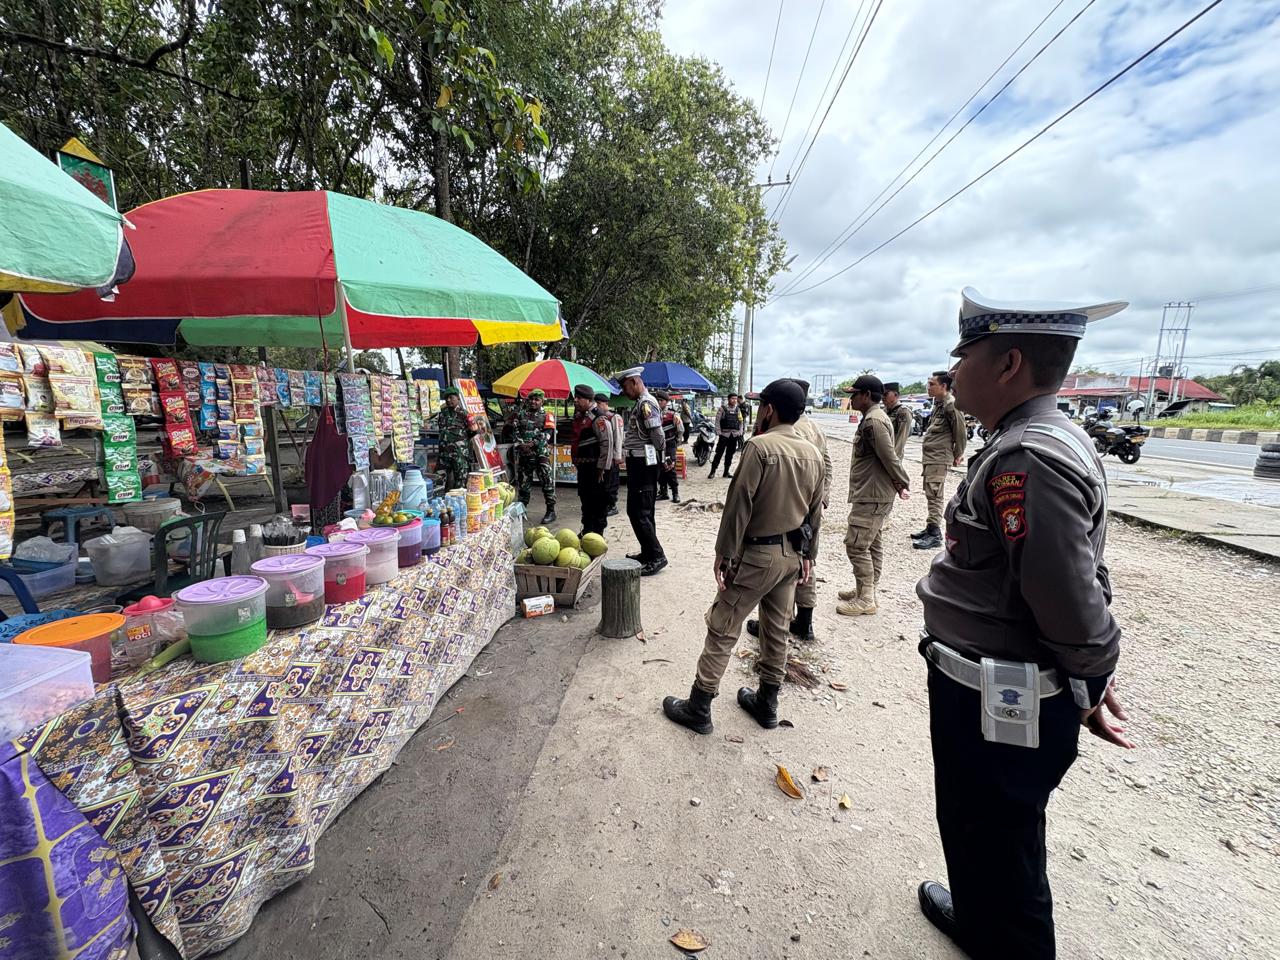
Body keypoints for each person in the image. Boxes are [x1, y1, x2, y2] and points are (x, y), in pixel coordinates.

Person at [915, 287, 1133, 960]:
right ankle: (981, 919)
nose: (953, 374)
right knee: (980, 830)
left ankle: (1002, 934)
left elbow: (1065, 594)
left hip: (1000, 697)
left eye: (965, 356)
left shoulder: (1027, 457)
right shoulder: (1024, 439)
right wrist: (1087, 674)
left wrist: (1090, 679)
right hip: (988, 686)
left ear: (1008, 363)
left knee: (1001, 841)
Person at [661, 379, 824, 734]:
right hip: (791, 557)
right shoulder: (812, 452)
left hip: (757, 556)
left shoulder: (760, 447)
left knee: (723, 625)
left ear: (769, 409)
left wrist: (725, 553)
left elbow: (738, 505)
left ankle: (699, 706)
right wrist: (809, 554)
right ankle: (767, 703)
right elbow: (815, 511)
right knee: (777, 630)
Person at [745, 378, 831, 643]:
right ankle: (804, 621)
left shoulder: (788, 429)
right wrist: (821, 496)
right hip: (807, 505)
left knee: (782, 563)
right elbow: (826, 463)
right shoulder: (814, 426)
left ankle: (776, 622)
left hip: (786, 508)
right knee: (806, 560)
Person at [837, 374, 910, 617]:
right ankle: (865, 590)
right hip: (872, 490)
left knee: (856, 545)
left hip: (873, 493)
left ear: (866, 395)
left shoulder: (874, 422)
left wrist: (902, 483)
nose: (851, 399)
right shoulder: (873, 417)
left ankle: (866, 597)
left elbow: (890, 457)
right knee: (872, 542)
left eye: (854, 394)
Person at [617, 367, 668, 575]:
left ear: (635, 382)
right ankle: (648, 552)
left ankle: (657, 556)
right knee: (644, 511)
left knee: (639, 512)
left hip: (644, 465)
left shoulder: (646, 404)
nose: (624, 391)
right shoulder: (641, 403)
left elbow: (658, 437)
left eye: (625, 386)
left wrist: (659, 458)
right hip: (640, 463)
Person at [913, 370, 967, 550]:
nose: (928, 387)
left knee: (935, 494)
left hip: (939, 457)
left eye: (932, 384)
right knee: (930, 493)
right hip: (932, 457)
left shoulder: (951, 405)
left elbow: (960, 431)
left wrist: (958, 454)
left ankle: (935, 534)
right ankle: (930, 527)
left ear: (944, 386)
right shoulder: (939, 404)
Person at [570, 384, 612, 536]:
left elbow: (606, 444)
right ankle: (587, 530)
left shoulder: (597, 417)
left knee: (598, 502)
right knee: (586, 501)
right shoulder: (581, 416)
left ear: (588, 400)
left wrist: (602, 469)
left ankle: (597, 535)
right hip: (584, 468)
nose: (575, 400)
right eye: (575, 397)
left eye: (579, 398)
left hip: (596, 469)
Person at [512, 388, 557, 524]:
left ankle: (551, 510)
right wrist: (521, 444)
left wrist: (532, 444)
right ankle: (522, 509)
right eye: (531, 399)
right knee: (524, 483)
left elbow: (548, 434)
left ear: (542, 401)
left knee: (546, 482)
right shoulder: (520, 415)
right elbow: (515, 431)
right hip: (524, 454)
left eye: (537, 399)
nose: (533, 402)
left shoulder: (547, 416)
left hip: (540, 454)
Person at [432, 386, 476, 491]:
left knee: (460, 482)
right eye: (446, 398)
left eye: (451, 397)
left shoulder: (465, 414)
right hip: (444, 454)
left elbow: (474, 430)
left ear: (458, 398)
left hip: (459, 455)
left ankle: (458, 504)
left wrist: (461, 442)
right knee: (438, 480)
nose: (448, 400)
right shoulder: (442, 414)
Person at [596, 392, 623, 517]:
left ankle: (612, 505)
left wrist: (617, 456)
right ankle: (606, 504)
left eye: (599, 403)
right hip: (604, 456)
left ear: (605, 404)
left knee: (611, 482)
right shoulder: (599, 417)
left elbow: (618, 437)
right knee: (604, 483)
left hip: (612, 457)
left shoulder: (614, 417)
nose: (597, 406)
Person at [655, 390, 683, 503]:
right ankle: (663, 492)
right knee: (659, 469)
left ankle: (675, 493)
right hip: (657, 446)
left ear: (666, 402)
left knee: (670, 468)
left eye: (661, 400)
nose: (659, 402)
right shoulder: (652, 413)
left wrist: (676, 441)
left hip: (669, 443)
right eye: (657, 400)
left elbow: (680, 430)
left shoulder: (673, 415)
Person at [708, 393, 745, 478]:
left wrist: (740, 431)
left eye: (736, 399)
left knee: (730, 454)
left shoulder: (738, 410)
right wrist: (719, 432)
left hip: (734, 435)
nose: (734, 400)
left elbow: (741, 422)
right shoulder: (723, 409)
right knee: (719, 454)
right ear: (728, 399)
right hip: (724, 435)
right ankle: (712, 472)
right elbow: (717, 421)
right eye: (732, 398)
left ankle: (726, 472)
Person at [883, 381, 912, 461]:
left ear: (896, 395)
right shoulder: (884, 411)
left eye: (886, 394)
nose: (883, 397)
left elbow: (901, 438)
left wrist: (893, 459)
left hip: (893, 456)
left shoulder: (903, 411)